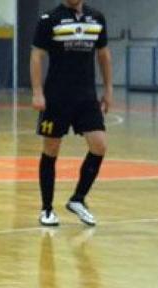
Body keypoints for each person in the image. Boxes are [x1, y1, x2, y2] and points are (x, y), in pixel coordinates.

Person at [31, 0, 112, 227]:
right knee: (51, 149)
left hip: (86, 97)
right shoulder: (50, 19)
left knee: (99, 145)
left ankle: (78, 199)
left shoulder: (97, 18)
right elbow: (37, 56)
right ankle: (47, 209)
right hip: (56, 97)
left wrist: (108, 89)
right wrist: (38, 92)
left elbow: (103, 54)